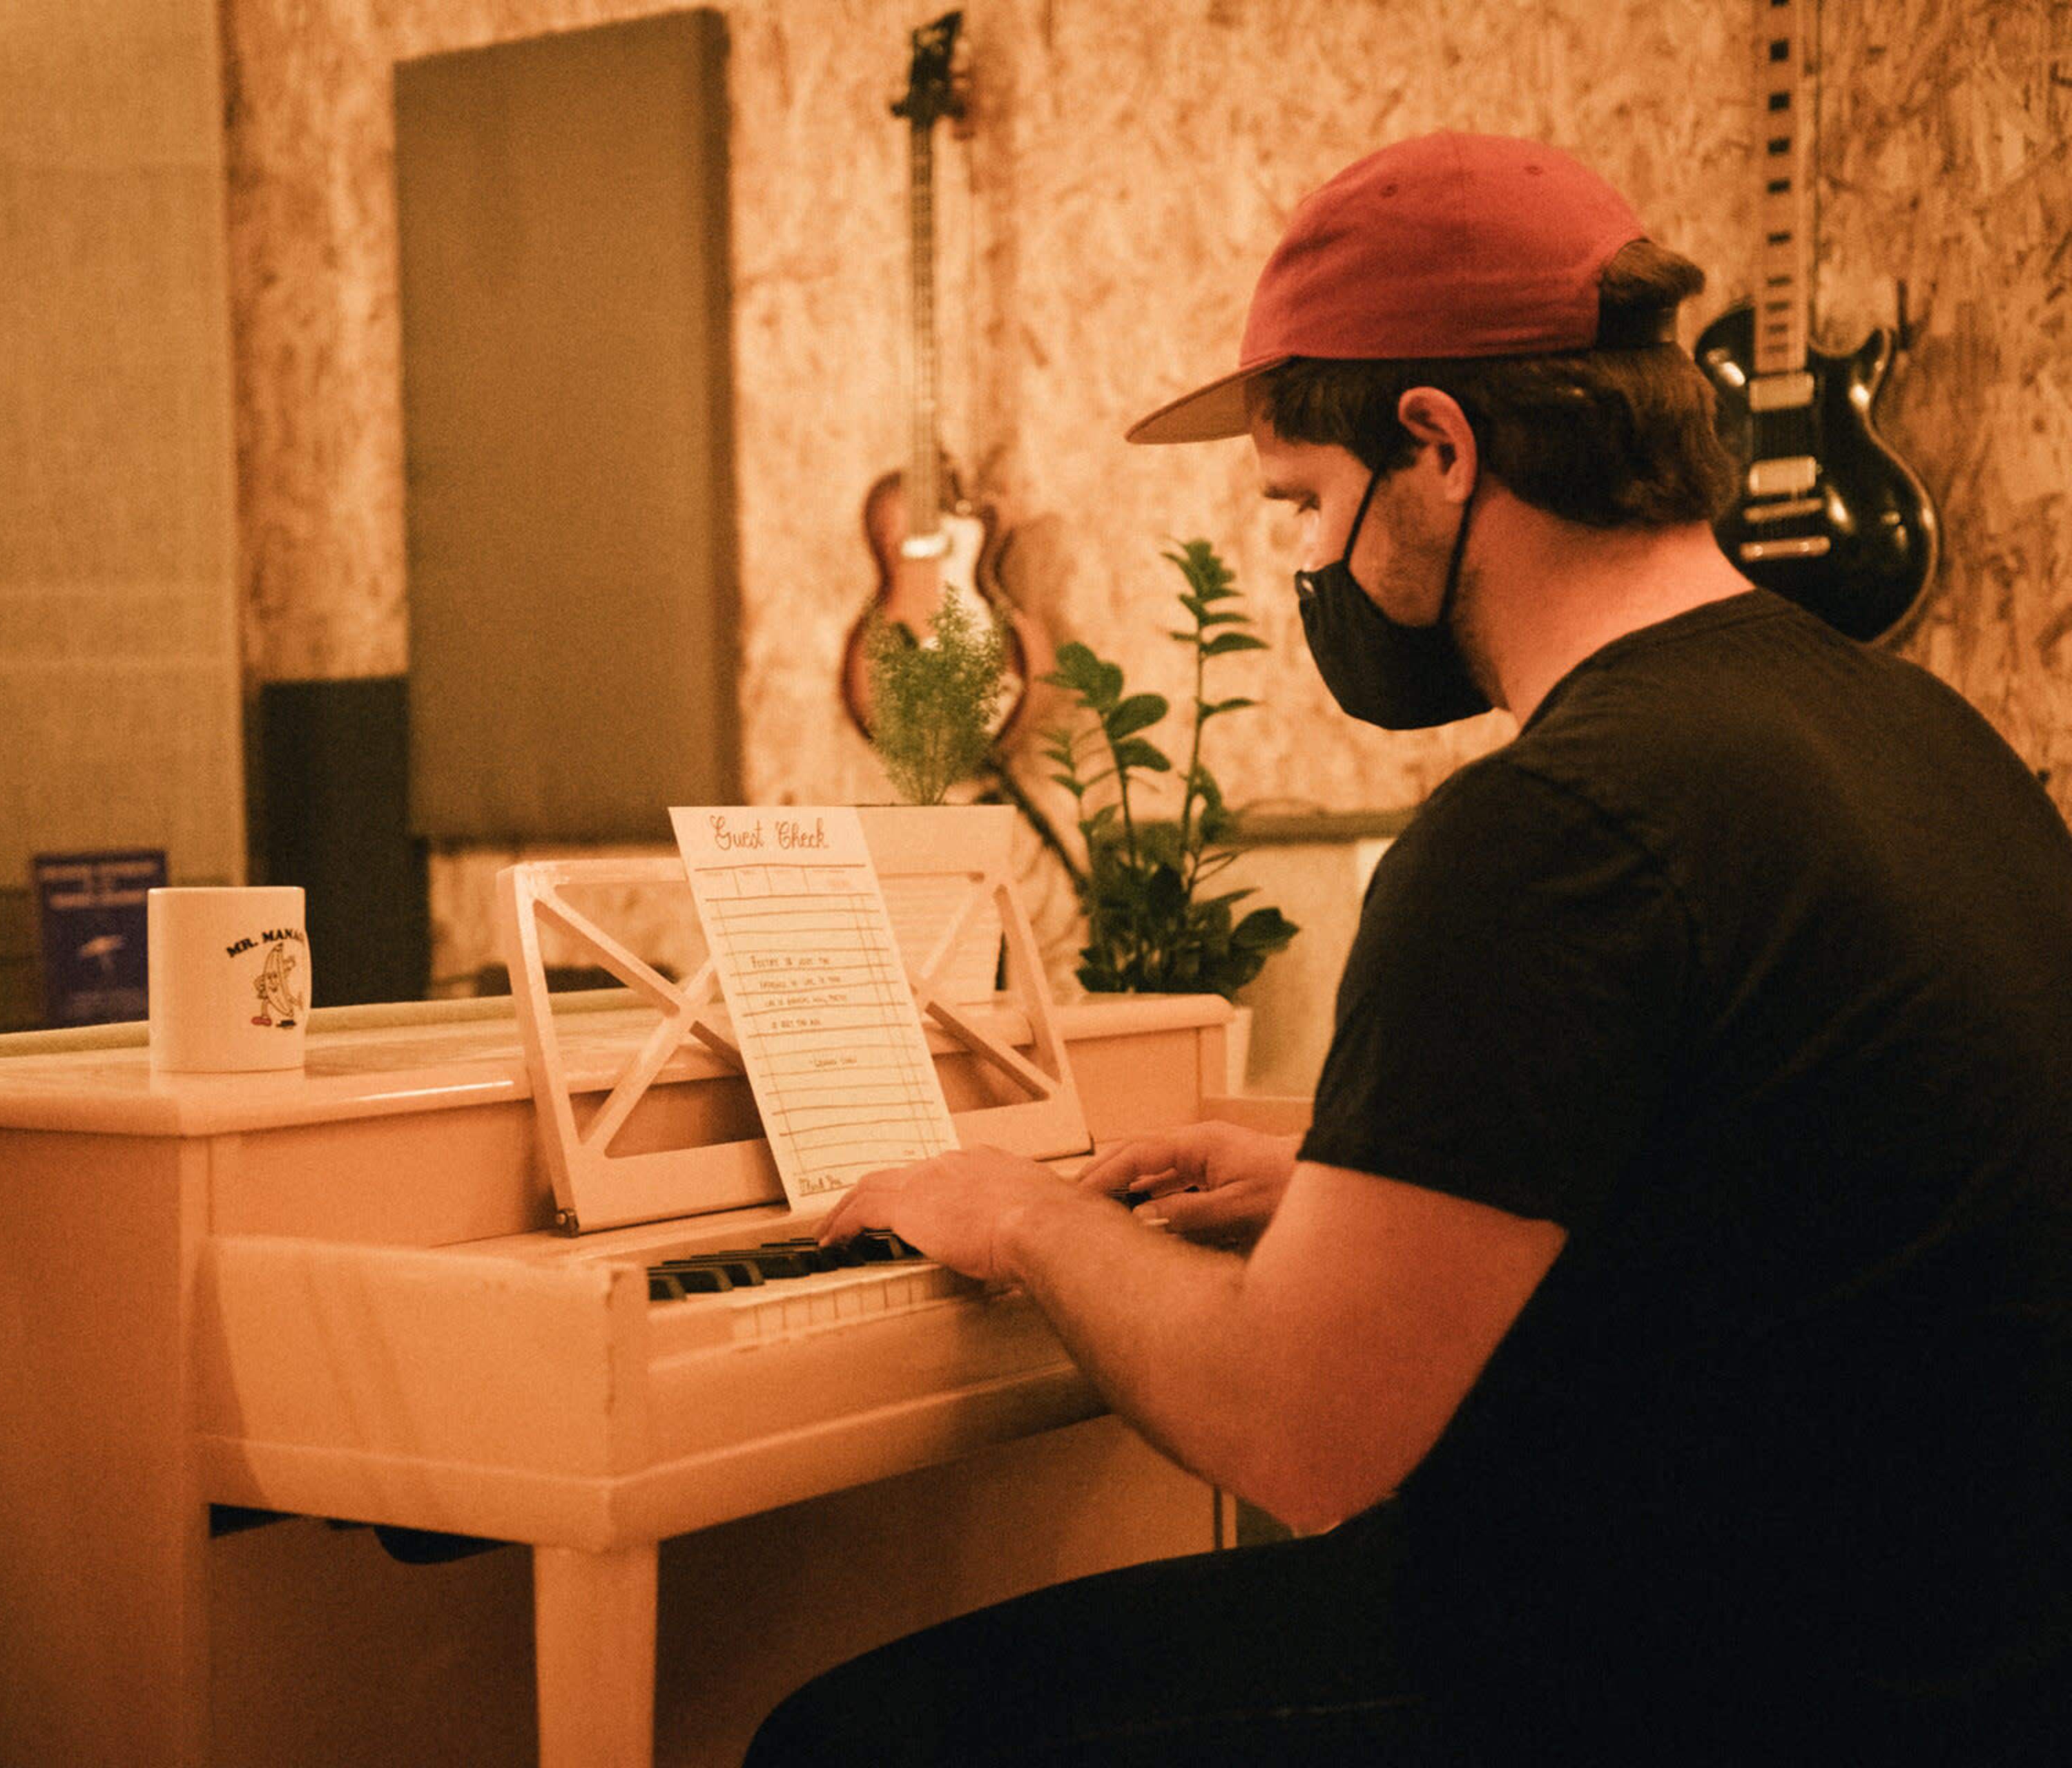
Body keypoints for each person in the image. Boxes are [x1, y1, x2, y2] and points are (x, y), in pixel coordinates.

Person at [746, 131, 2072, 1765]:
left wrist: (1022, 1216)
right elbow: (1772, 1209)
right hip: (1964, 1658)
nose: (1306, 563)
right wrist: (1355, 1192)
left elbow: (1291, 1431)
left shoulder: (1557, 822)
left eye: (1303, 502)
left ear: (1438, 446)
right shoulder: (1906, 724)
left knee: (845, 1736)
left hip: (1710, 1691)